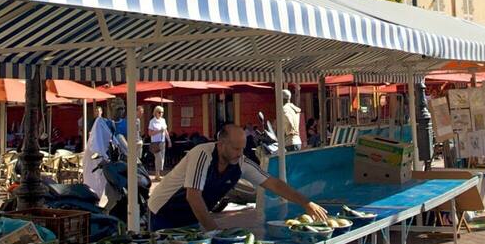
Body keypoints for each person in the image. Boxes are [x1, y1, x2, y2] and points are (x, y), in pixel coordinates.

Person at [147, 124, 329, 230]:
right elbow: (193, 196)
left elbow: (274, 184)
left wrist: (306, 203)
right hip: (164, 211)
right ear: (221, 144)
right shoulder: (202, 154)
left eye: (242, 148)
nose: (240, 153)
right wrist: (215, 233)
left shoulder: (241, 162)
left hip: (191, 218)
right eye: (235, 148)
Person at [84, 99, 130, 202]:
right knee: (111, 190)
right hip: (109, 162)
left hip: (124, 161)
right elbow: (97, 141)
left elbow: (130, 141)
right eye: (118, 109)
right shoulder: (104, 124)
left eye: (123, 109)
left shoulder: (127, 124)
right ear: (111, 109)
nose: (121, 111)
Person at [149, 105, 169, 174]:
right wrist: (159, 131)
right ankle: (157, 173)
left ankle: (158, 174)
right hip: (155, 142)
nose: (161, 114)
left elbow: (166, 131)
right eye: (159, 112)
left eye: (162, 112)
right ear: (155, 112)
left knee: (162, 158)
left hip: (162, 142)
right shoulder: (152, 121)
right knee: (159, 158)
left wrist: (169, 140)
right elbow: (150, 133)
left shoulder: (163, 120)